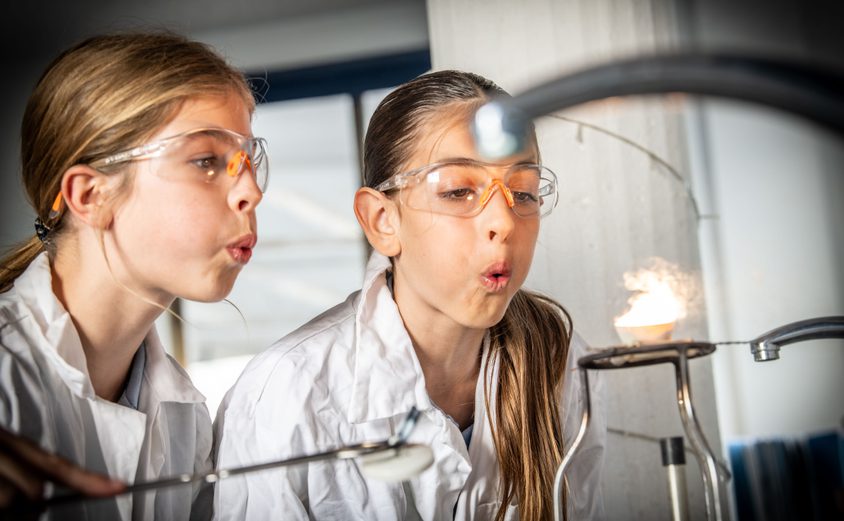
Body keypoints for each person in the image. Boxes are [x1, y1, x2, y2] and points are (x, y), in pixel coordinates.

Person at [215, 69, 605, 520]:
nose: (503, 222)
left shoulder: (560, 357)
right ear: (382, 220)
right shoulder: (286, 393)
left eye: (523, 193)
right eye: (458, 191)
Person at [0, 31, 267, 520]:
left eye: (249, 160)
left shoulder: (187, 419)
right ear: (90, 196)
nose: (251, 190)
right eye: (206, 161)